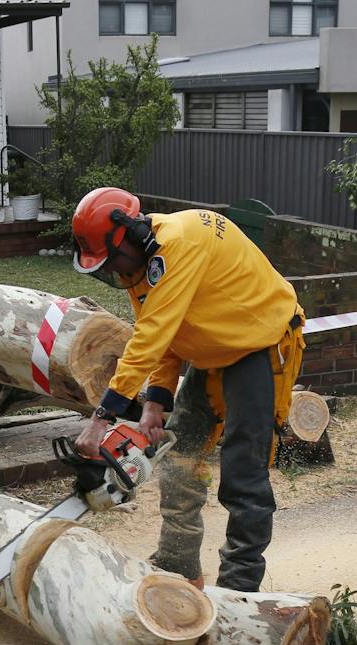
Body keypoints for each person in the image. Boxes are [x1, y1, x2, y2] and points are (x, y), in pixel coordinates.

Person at [70, 187, 306, 593]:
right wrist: (156, 401)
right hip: (214, 350)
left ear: (129, 233)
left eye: (113, 260)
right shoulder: (139, 265)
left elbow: (150, 335)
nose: (114, 271)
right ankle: (180, 566)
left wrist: (101, 419)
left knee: (242, 472)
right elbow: (163, 330)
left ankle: (239, 589)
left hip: (260, 346)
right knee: (179, 458)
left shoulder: (177, 245)